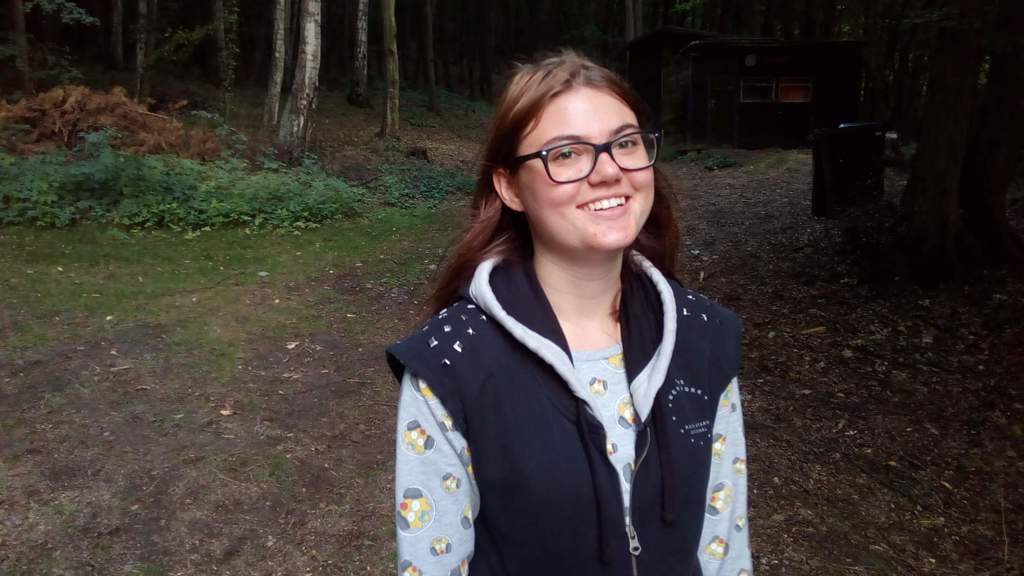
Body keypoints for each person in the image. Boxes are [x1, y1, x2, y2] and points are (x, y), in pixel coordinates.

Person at [386, 51, 751, 576]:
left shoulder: (703, 337)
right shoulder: (451, 364)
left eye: (625, 143)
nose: (609, 171)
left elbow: (724, 547)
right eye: (567, 154)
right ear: (510, 186)